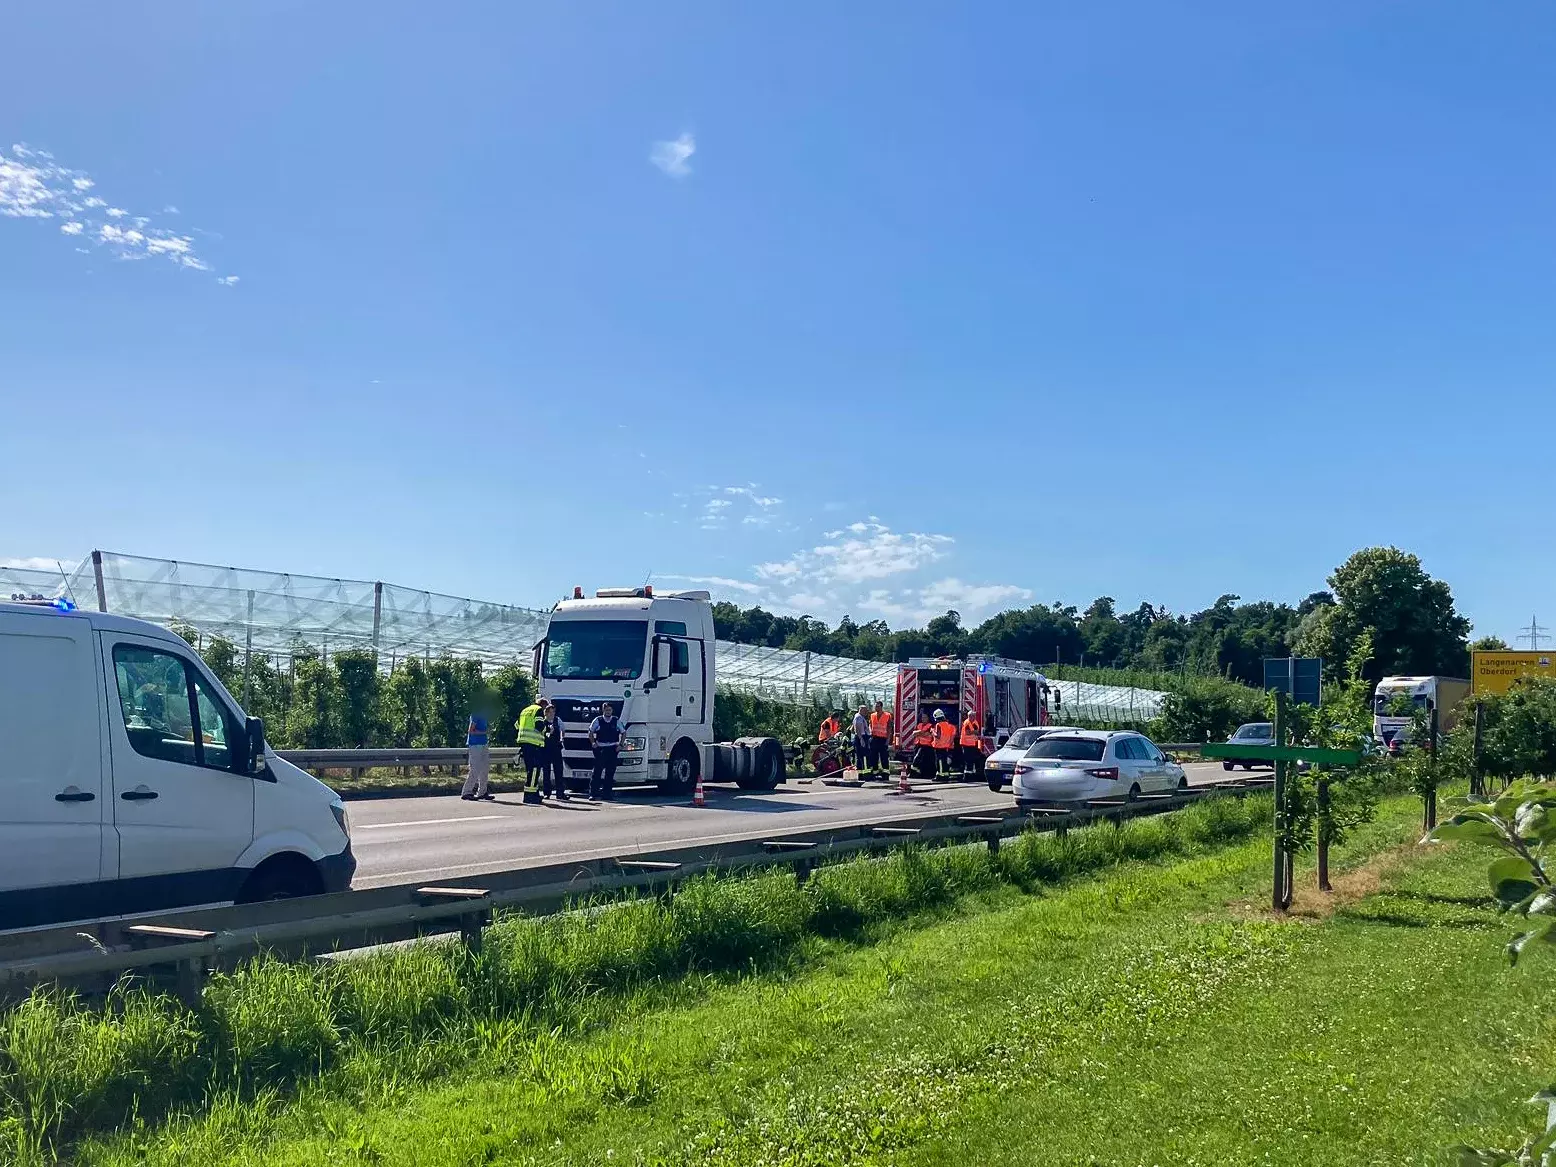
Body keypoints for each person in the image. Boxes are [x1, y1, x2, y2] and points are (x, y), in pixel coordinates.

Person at [460, 687, 497, 801]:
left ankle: (482, 792)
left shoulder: (485, 714)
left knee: (485, 768)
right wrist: (485, 732)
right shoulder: (476, 714)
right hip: (475, 744)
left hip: (483, 743)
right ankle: (466, 792)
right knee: (475, 768)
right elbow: (471, 730)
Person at [514, 695, 546, 805]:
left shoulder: (525, 710)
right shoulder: (539, 710)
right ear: (543, 705)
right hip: (534, 743)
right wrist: (547, 728)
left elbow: (517, 725)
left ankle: (534, 793)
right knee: (535, 770)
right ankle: (530, 795)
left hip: (524, 743)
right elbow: (539, 726)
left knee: (530, 770)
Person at [589, 701, 622, 801]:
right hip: (601, 749)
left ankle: (607, 794)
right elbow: (590, 732)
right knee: (597, 772)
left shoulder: (616, 720)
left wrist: (620, 745)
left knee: (610, 773)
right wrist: (593, 743)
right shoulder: (598, 720)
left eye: (610, 710)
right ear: (603, 710)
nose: (608, 712)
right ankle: (593, 794)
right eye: (606, 710)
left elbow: (623, 732)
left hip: (612, 749)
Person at [539, 699, 567, 801]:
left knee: (558, 771)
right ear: (546, 713)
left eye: (553, 712)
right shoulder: (543, 722)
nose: (552, 714)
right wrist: (549, 733)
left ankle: (560, 792)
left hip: (556, 749)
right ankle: (547, 792)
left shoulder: (558, 720)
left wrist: (561, 738)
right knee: (546, 772)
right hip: (546, 749)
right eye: (550, 712)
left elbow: (562, 730)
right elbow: (542, 734)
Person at [868, 701, 893, 776]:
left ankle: (885, 774)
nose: (876, 708)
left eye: (878, 706)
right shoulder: (872, 715)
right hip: (874, 738)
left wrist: (888, 740)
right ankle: (875, 772)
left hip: (883, 739)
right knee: (873, 757)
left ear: (881, 707)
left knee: (884, 757)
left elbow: (889, 728)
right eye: (875, 706)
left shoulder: (887, 715)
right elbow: (870, 725)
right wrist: (870, 733)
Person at [911, 713, 937, 782]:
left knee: (919, 760)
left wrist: (919, 733)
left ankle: (915, 773)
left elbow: (927, 734)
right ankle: (917, 773)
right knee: (918, 759)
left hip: (927, 746)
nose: (923, 719)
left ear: (928, 718)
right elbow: (914, 733)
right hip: (918, 744)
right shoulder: (919, 725)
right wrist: (922, 732)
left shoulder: (931, 725)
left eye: (925, 717)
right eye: (922, 717)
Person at [932, 709, 956, 778]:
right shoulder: (949, 725)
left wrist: (933, 731)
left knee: (939, 761)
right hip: (946, 746)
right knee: (944, 761)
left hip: (939, 746)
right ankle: (945, 773)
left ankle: (941, 774)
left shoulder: (938, 725)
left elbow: (938, 736)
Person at [960, 710, 984, 778]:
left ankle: (969, 774)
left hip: (972, 744)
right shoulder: (967, 722)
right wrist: (973, 731)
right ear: (969, 716)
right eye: (971, 716)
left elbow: (977, 732)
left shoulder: (975, 722)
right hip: (966, 744)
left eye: (973, 716)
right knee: (968, 760)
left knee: (971, 760)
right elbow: (968, 732)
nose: (972, 717)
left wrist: (973, 731)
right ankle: (967, 775)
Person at [852, 705, 870, 774]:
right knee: (864, 756)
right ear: (861, 710)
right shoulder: (858, 717)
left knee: (860, 756)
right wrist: (861, 739)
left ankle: (860, 773)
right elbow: (857, 728)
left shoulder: (860, 717)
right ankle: (866, 773)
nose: (866, 712)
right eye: (865, 710)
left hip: (861, 737)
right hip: (861, 737)